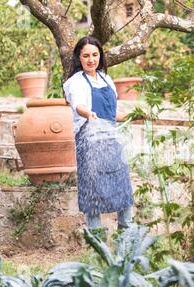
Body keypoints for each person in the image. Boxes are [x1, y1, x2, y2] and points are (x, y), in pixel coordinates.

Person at [63, 36, 134, 230]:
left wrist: (132, 115)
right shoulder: (75, 82)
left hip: (112, 140)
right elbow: (78, 106)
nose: (91, 59)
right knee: (92, 189)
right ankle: (96, 240)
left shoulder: (106, 79)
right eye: (86, 56)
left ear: (100, 56)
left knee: (122, 185)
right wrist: (89, 114)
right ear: (79, 57)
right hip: (90, 140)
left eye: (95, 55)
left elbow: (111, 114)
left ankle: (125, 234)